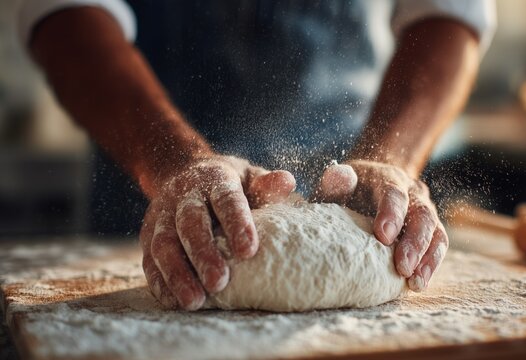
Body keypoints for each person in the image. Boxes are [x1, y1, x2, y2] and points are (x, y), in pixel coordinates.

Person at [17, 0, 496, 310]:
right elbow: (63, 13)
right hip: (154, 196)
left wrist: (391, 157)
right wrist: (173, 163)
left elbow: (448, 12)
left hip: (354, 190)